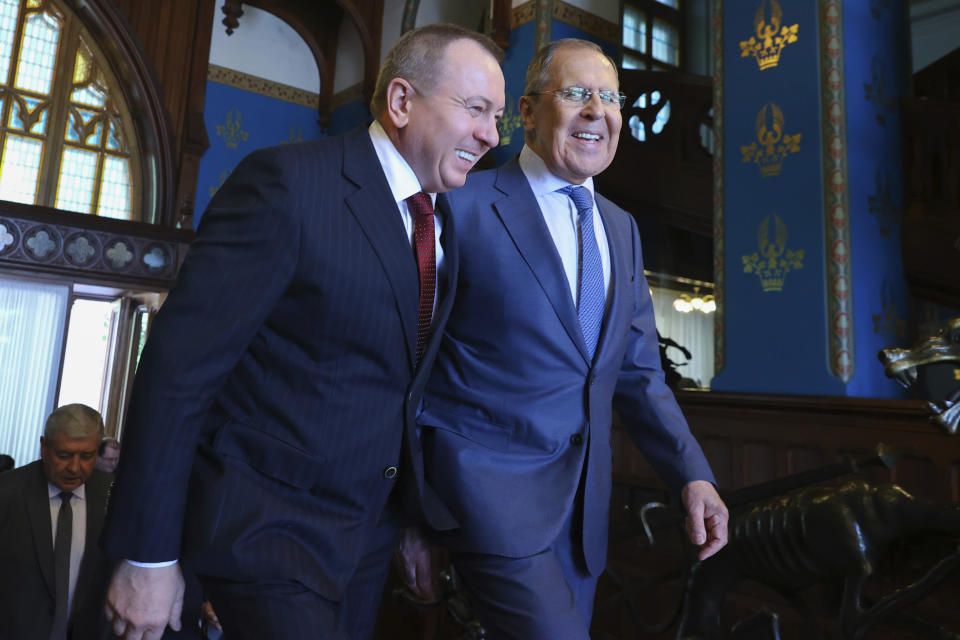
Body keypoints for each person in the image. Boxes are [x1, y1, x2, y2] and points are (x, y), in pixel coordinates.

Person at [100, 23, 504, 640]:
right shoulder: (286, 186)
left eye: (497, 117)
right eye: (476, 109)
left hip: (366, 545)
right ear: (401, 101)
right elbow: (177, 374)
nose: (491, 135)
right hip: (264, 532)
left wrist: (410, 522)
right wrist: (147, 555)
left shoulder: (440, 220)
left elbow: (396, 385)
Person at [401, 38, 729, 638]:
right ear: (526, 112)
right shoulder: (461, 205)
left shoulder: (622, 230)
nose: (595, 111)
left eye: (609, 98)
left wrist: (693, 475)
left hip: (583, 522)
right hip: (485, 506)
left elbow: (638, 372)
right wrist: (410, 514)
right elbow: (410, 364)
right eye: (576, 93)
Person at [0, 404, 113, 640]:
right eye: (64, 455)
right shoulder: (7, 493)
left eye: (86, 456)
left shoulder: (113, 495)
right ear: (44, 447)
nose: (74, 467)